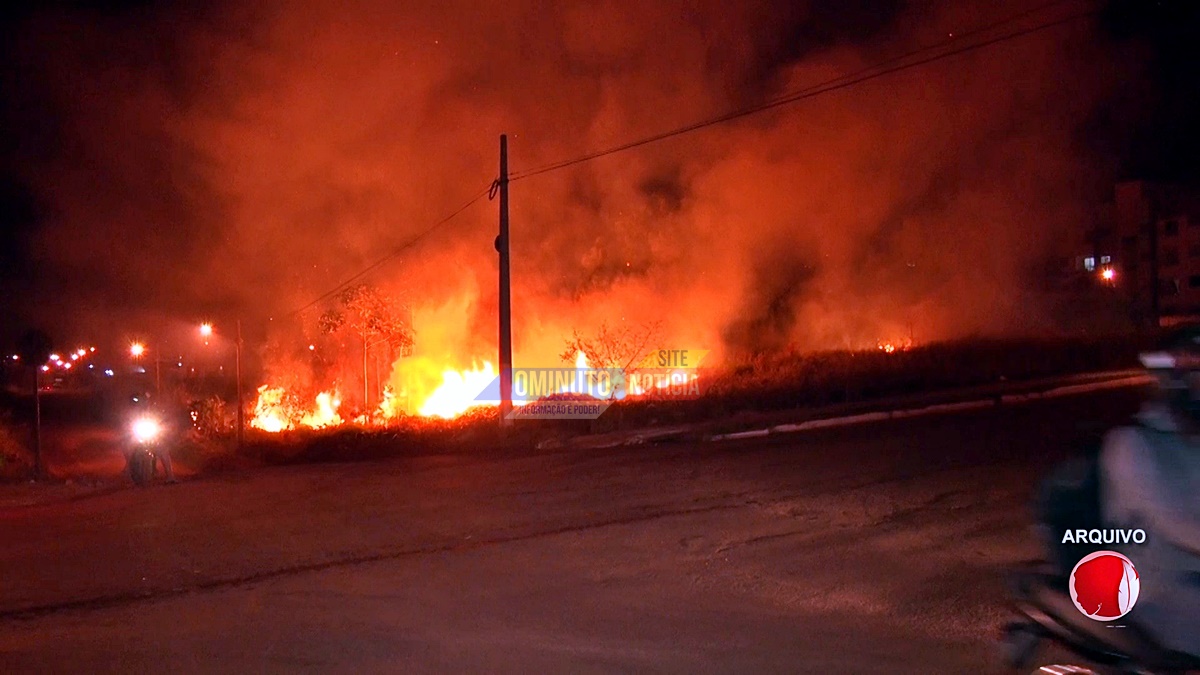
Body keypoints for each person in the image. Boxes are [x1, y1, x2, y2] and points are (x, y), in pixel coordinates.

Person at [1097, 328, 1200, 657]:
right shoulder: (1131, 444)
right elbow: (1176, 523)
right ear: (1175, 381)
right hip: (1157, 595)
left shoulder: (1194, 440)